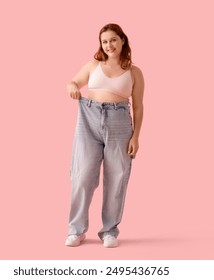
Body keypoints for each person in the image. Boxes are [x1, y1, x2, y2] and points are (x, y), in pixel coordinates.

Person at [66, 23, 144, 248]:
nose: (109, 45)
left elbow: (138, 107)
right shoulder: (93, 65)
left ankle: (109, 230)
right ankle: (76, 230)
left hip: (120, 123)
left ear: (122, 40)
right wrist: (72, 86)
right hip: (89, 119)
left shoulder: (134, 72)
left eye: (113, 40)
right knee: (82, 176)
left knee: (117, 178)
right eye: (104, 41)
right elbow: (73, 82)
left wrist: (136, 137)